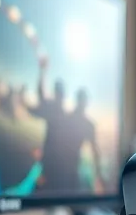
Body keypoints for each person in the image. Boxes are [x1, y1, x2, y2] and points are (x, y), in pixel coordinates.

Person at [29, 56, 105, 193]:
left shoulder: (86, 124)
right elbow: (42, 96)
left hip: (69, 174)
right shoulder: (64, 117)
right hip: (53, 170)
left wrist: (98, 177)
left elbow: (95, 153)